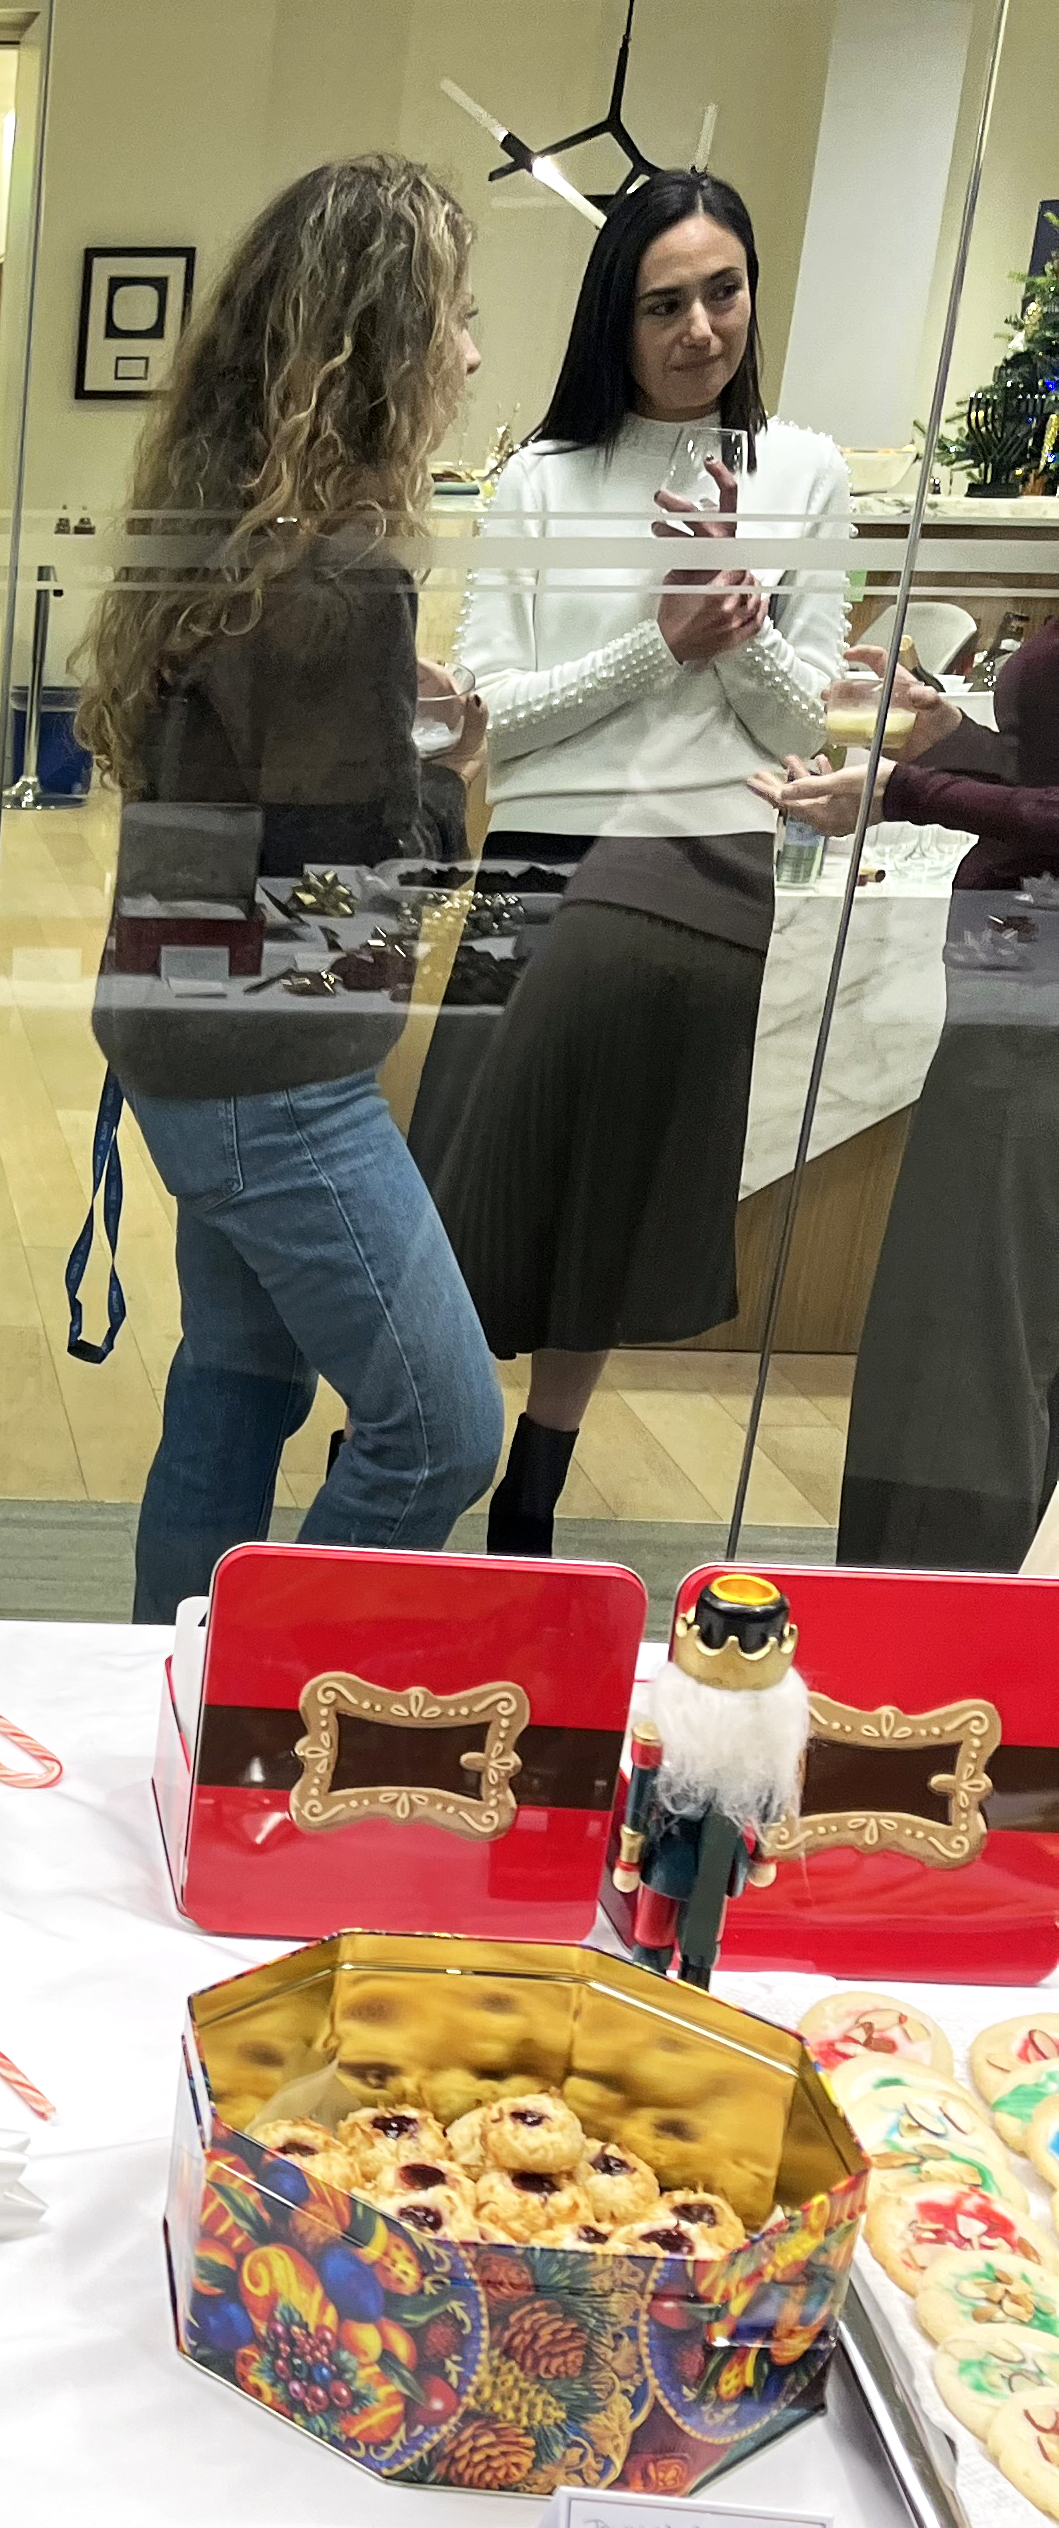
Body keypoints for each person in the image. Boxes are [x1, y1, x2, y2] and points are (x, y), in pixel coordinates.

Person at [71, 155, 503, 1623]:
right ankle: (263, 1696)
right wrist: (446, 765)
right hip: (275, 1078)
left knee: (232, 1387)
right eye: (450, 317)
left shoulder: (225, 553)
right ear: (386, 347)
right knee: (440, 1426)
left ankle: (169, 1704)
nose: (467, 352)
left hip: (188, 1042)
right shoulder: (339, 580)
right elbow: (346, 911)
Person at [439, 171, 850, 1552]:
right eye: (661, 301)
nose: (696, 328)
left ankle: (533, 1476)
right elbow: (488, 716)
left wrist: (739, 629)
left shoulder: (803, 471)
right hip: (540, 848)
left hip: (701, 866)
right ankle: (419, 1415)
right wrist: (656, 643)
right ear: (610, 315)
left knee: (604, 1198)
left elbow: (809, 739)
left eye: (720, 291)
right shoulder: (537, 480)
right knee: (464, 1170)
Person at [752, 637, 1058, 1569]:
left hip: (1035, 1011)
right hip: (1017, 985)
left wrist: (902, 793)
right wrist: (950, 738)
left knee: (965, 1349)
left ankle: (917, 1667)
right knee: (990, 1334)